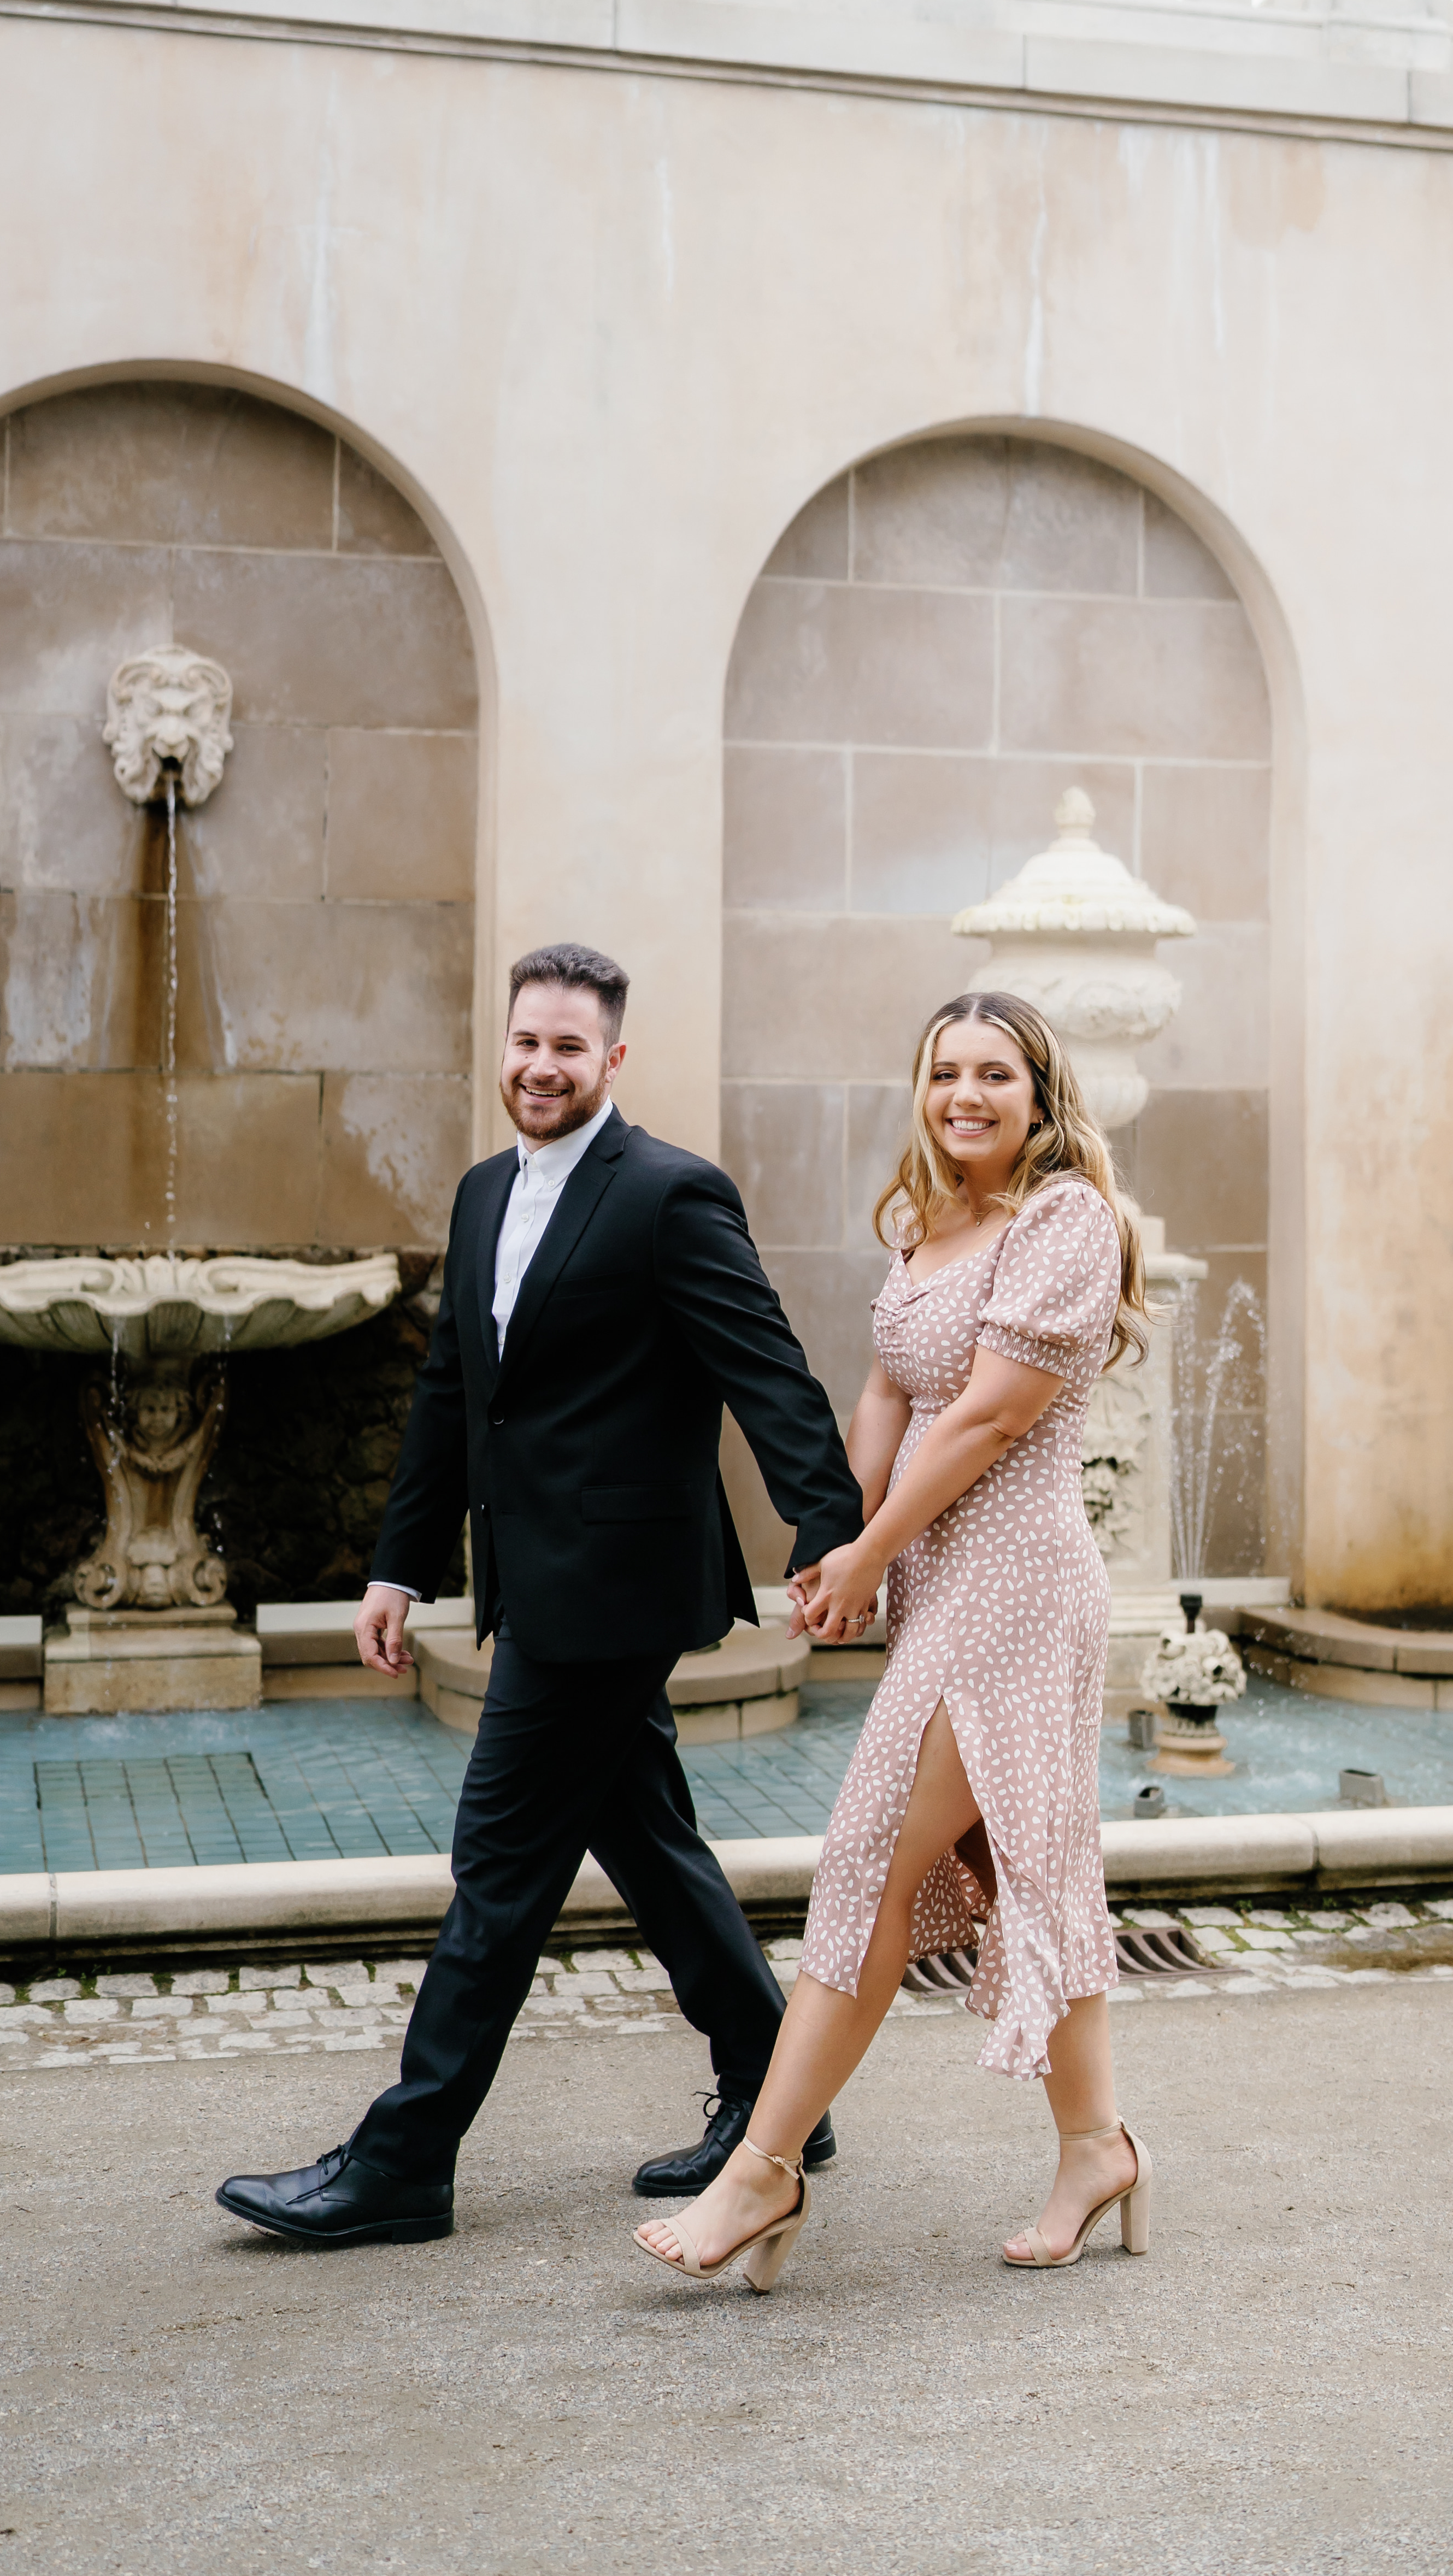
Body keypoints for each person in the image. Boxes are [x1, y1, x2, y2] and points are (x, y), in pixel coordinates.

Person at [216, 940, 864, 2249]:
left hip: (618, 1585)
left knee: (498, 1864)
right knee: (645, 1839)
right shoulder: (477, 1195)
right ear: (502, 1049)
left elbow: (767, 1368)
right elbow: (456, 1393)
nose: (541, 1065)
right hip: (531, 1578)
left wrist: (830, 1528)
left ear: (611, 1059)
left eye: (569, 1047)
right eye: (525, 1042)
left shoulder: (672, 1195)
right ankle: (774, 2091)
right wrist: (401, 1561)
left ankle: (403, 2161)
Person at [635, 988, 1152, 2291]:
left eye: (992, 1074)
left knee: (861, 1862)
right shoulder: (930, 1221)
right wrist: (837, 1546)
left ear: (1040, 1093)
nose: (963, 1095)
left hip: (1017, 1590)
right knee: (1025, 1869)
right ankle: (1096, 2147)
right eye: (942, 1074)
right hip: (940, 1589)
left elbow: (984, 1419)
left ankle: (760, 2168)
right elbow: (883, 1387)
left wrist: (873, 1551)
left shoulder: (1066, 1220)